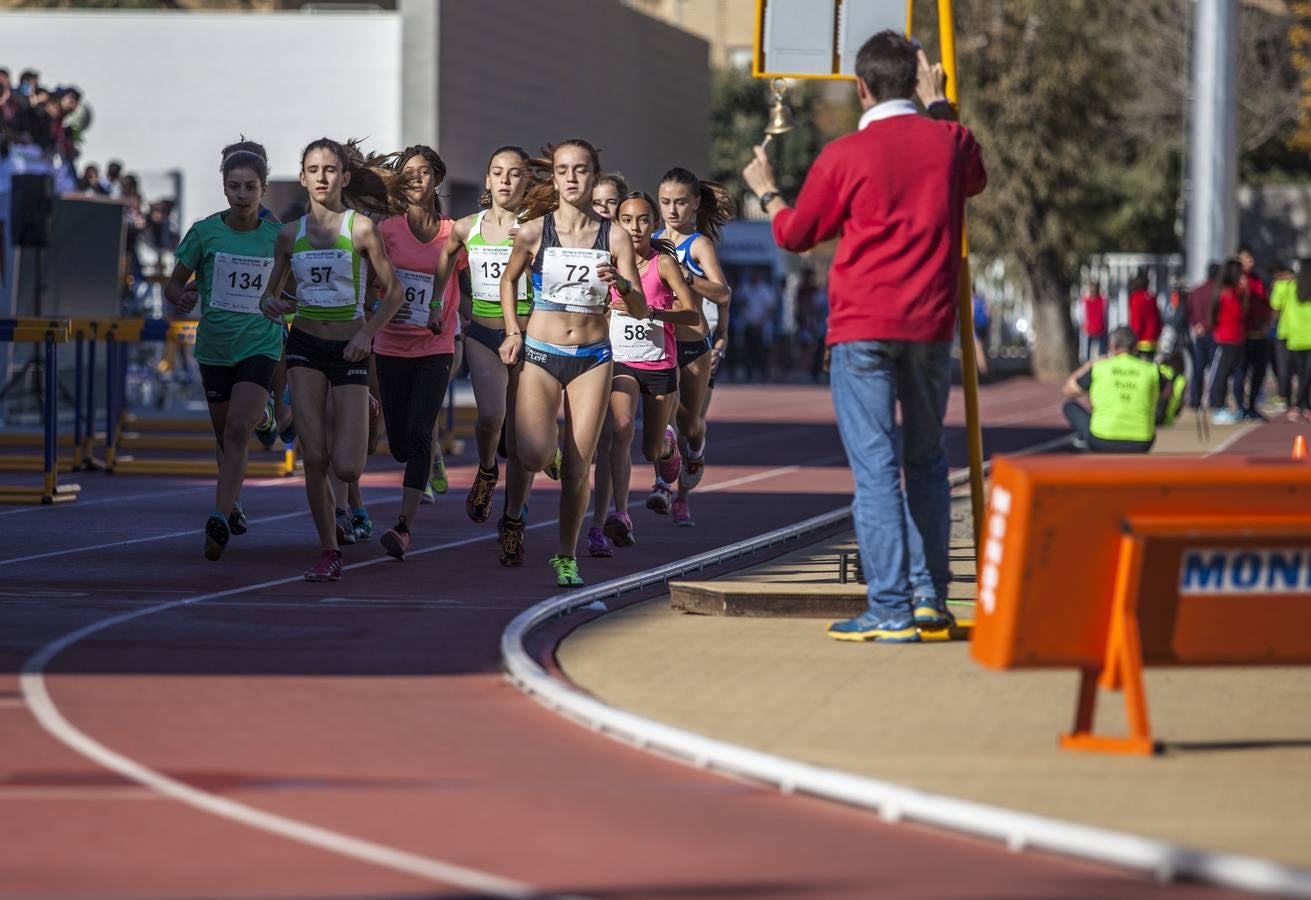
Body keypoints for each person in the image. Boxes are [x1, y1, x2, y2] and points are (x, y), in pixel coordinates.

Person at [743, 31, 986, 642]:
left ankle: (891, 607)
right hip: (930, 326)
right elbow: (974, 179)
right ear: (916, 81)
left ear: (861, 87)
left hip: (863, 328)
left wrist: (768, 192)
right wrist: (940, 110)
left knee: (877, 471)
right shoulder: (951, 140)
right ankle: (930, 598)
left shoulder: (846, 154)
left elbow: (796, 234)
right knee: (928, 462)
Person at [495, 139, 647, 586]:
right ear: (555, 177)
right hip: (542, 354)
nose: (572, 178)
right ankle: (534, 484)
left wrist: (620, 281)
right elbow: (508, 281)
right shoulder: (534, 231)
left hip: (593, 359)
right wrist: (512, 331)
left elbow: (638, 306)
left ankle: (566, 554)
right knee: (534, 452)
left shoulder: (614, 235)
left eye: (580, 170)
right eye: (563, 170)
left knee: (580, 466)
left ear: (594, 176)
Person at [258, 137, 404, 582]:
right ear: (302, 178)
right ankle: (328, 548)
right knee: (314, 456)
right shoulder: (289, 235)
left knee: (348, 466)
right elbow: (271, 293)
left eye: (329, 170)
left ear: (343, 178)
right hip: (304, 346)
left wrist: (367, 333)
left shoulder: (360, 229)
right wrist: (274, 304)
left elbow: (394, 292)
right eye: (313, 170)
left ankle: (368, 410)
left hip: (349, 350)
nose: (321, 178)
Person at [164, 144, 284, 560]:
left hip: (261, 342)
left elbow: (294, 287)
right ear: (224, 188)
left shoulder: (278, 237)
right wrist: (179, 297)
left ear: (263, 188)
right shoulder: (204, 232)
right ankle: (232, 501)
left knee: (236, 431)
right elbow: (173, 284)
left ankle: (217, 517)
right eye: (234, 187)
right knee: (225, 438)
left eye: (250, 187)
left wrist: (285, 302)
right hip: (215, 346)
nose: (242, 194)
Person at [587, 192, 701, 556]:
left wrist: (650, 313)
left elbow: (692, 314)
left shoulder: (662, 264)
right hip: (620, 362)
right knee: (619, 428)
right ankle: (621, 514)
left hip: (659, 365)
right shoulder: (607, 263)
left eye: (642, 220)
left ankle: (667, 444)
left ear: (653, 225)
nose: (635, 228)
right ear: (616, 224)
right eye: (627, 220)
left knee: (651, 449)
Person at [367, 145, 463, 560]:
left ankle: (404, 527)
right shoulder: (386, 230)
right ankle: (429, 457)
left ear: (437, 179)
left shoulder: (453, 231)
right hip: (390, 344)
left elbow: (478, 278)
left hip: (435, 345)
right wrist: (380, 301)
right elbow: (372, 283)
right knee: (401, 446)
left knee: (421, 431)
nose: (416, 180)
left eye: (424, 173)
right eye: (407, 174)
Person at [431, 145, 536, 525]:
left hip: (529, 336)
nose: (505, 180)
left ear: (527, 181)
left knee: (523, 434)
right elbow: (445, 257)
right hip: (484, 335)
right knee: (492, 417)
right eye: (498, 172)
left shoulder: (537, 227)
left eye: (514, 173)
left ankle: (513, 516)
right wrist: (436, 303)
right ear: (487, 180)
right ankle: (488, 469)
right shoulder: (467, 226)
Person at [655, 167, 735, 528]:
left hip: (696, 344)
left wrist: (687, 277)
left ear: (695, 204)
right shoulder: (651, 239)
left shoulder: (699, 244)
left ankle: (696, 453)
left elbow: (722, 294)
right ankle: (662, 485)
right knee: (664, 417)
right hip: (660, 341)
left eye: (680, 203)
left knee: (689, 423)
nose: (672, 210)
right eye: (666, 202)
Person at [1062, 326, 1161, 453]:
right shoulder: (1150, 369)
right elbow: (1169, 390)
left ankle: (1084, 445)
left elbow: (1068, 390)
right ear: (1135, 347)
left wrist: (1089, 364)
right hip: (1142, 442)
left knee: (1069, 406)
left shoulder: (1099, 368)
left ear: (1111, 346)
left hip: (1102, 440)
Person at [1207, 259, 1248, 425]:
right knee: (1222, 373)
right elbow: (1234, 314)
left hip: (1236, 338)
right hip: (1225, 338)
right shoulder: (1225, 293)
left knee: (1235, 373)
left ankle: (1233, 405)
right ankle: (1218, 406)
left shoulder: (1236, 292)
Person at [1234, 246, 1271, 420]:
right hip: (1242, 336)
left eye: (1252, 258)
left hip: (1259, 334)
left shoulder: (1258, 279)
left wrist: (1266, 322)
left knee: (1259, 372)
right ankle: (1241, 407)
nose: (1251, 262)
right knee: (1240, 372)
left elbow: (1265, 304)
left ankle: (1252, 405)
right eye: (1247, 259)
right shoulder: (1235, 282)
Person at [1187, 262, 1220, 409]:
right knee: (1215, 369)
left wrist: (1195, 324)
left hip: (1200, 332)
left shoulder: (1196, 291)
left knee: (1198, 368)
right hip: (1215, 333)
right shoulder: (1218, 291)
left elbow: (1189, 310)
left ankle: (1195, 400)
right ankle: (1214, 400)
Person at [1282, 259, 1311, 422]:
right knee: (1306, 375)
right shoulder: (1291, 287)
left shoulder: (1289, 287)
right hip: (1307, 338)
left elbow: (1275, 303)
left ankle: (1303, 406)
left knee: (1303, 375)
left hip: (1295, 338)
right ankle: (1298, 405)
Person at [1269, 260, 1296, 413]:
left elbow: (1275, 308)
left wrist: (1271, 323)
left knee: (1283, 367)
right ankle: (1300, 400)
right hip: (1301, 334)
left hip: (1284, 332)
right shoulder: (1301, 285)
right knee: (1300, 368)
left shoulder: (1280, 286)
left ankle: (1284, 397)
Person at [1127, 272, 1161, 359]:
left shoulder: (1136, 298)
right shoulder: (1151, 297)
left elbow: (1136, 322)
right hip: (1153, 340)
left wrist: (1132, 340)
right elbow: (1158, 319)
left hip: (1141, 342)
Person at [1080, 280, 1108, 361]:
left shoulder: (1103, 300)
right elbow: (1081, 316)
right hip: (1088, 332)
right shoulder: (1084, 301)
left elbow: (1106, 315)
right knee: (1087, 356)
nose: (1092, 292)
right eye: (1091, 290)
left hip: (1101, 330)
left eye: (1094, 290)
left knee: (1102, 355)